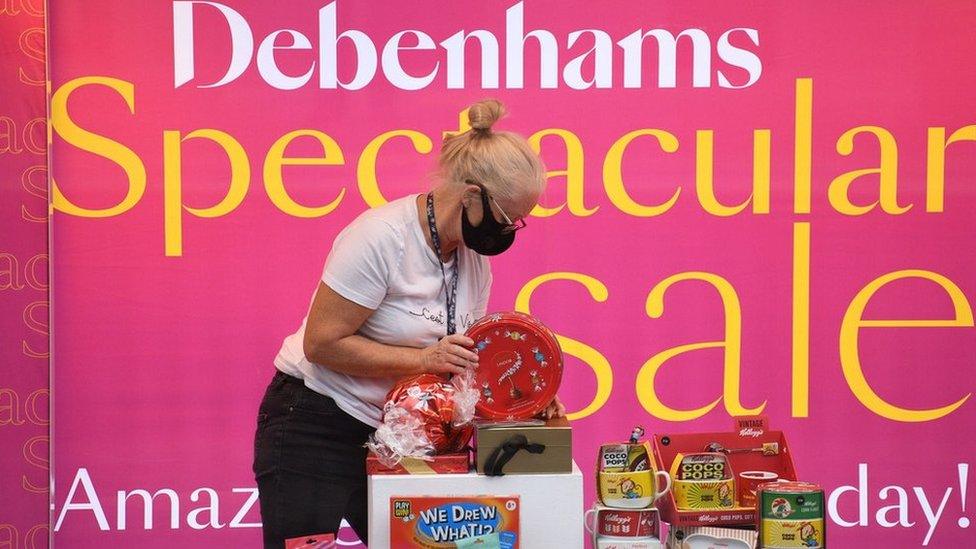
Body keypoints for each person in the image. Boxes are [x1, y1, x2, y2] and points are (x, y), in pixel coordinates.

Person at [252, 98, 565, 548]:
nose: (512, 230)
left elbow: (463, 362)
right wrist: (424, 358)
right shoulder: (381, 237)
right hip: (315, 420)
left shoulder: (475, 261)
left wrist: (527, 402)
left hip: (398, 434)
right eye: (507, 218)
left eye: (520, 221)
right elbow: (322, 344)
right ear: (471, 196)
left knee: (430, 542)